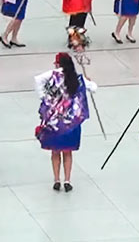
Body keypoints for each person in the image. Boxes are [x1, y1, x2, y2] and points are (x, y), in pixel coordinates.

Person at [35, 52, 97, 192]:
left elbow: (38, 80)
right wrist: (88, 81)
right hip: (71, 123)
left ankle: (56, 179)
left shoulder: (52, 75)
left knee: (55, 152)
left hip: (55, 122)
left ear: (58, 64)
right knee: (68, 152)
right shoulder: (77, 78)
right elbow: (94, 88)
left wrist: (43, 97)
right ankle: (67, 180)